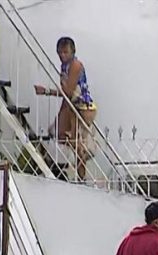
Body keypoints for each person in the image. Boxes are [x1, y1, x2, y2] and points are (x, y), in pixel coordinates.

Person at [34, 36, 97, 180]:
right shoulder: (65, 67)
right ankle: (78, 172)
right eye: (60, 53)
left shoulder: (75, 65)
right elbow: (66, 95)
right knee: (62, 135)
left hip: (82, 108)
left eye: (65, 52)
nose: (62, 56)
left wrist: (47, 92)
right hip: (72, 106)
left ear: (72, 52)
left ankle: (82, 178)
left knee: (76, 142)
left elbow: (68, 92)